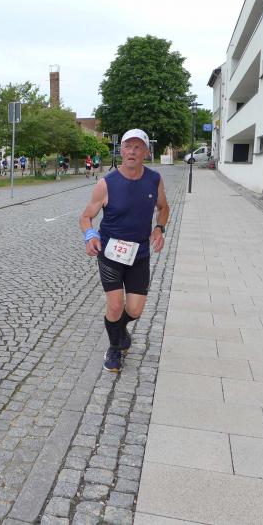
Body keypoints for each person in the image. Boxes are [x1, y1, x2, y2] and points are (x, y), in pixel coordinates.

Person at [78, 128, 169, 372]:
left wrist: (159, 228)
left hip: (139, 254)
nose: (132, 151)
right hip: (110, 253)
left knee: (135, 310)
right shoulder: (106, 184)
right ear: (121, 150)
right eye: (128, 146)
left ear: (146, 152)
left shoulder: (154, 179)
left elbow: (163, 207)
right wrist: (90, 235)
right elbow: (86, 216)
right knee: (116, 306)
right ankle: (115, 347)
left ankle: (118, 329)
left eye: (138, 147)